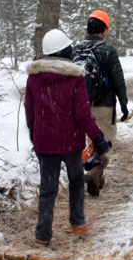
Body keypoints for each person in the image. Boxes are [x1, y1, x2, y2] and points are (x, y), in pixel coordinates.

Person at [25, 29, 112, 246]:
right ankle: (77, 220)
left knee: (47, 189)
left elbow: (30, 110)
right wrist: (99, 140)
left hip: (44, 144)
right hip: (70, 143)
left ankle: (42, 235)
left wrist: (35, 135)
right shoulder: (75, 77)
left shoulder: (34, 78)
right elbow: (83, 115)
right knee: (75, 182)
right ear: (66, 51)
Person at [74, 10, 129, 196]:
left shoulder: (76, 50)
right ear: (104, 29)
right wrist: (124, 104)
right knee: (107, 142)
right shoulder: (108, 51)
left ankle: (97, 176)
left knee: (93, 140)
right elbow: (118, 80)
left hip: (82, 106)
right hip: (105, 105)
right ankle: (95, 172)